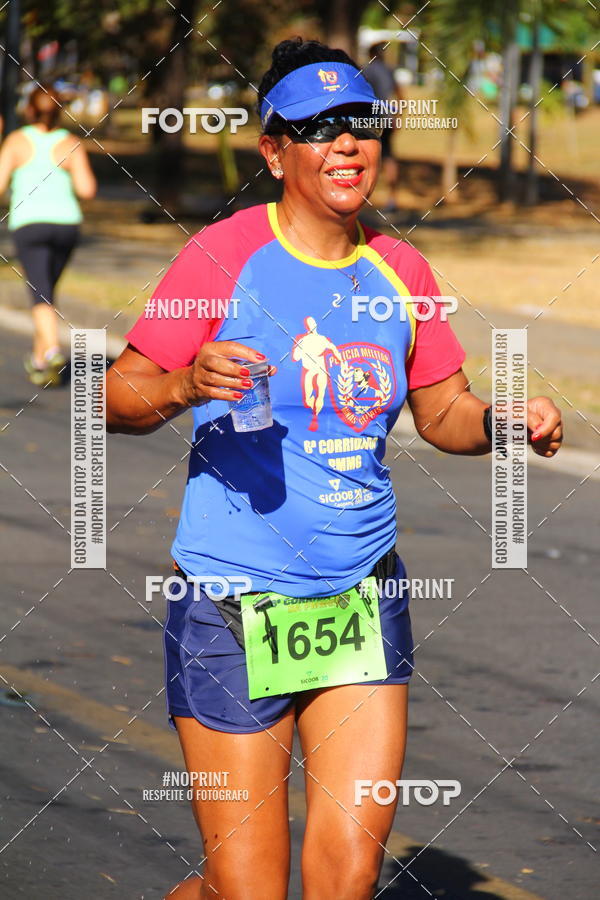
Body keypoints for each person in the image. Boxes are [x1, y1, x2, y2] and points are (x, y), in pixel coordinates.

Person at [106, 38, 563, 900]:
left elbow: (444, 414)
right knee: (243, 888)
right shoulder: (220, 257)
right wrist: (178, 381)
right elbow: (115, 399)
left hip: (360, 596)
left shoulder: (402, 268)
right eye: (319, 128)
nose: (348, 144)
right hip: (233, 608)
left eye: (363, 124)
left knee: (346, 876)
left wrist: (505, 423)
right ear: (274, 150)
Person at [0, 84, 97, 385]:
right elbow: (87, 190)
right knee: (46, 289)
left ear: (29, 109)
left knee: (40, 291)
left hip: (30, 224)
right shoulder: (70, 143)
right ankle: (40, 360)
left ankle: (53, 348)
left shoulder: (17, 141)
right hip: (66, 224)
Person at [363, 42, 401, 212]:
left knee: (366, 157)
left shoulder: (366, 71)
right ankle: (392, 199)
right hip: (388, 118)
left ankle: (364, 196)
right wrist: (397, 117)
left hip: (371, 120)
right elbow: (401, 96)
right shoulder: (390, 70)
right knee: (389, 157)